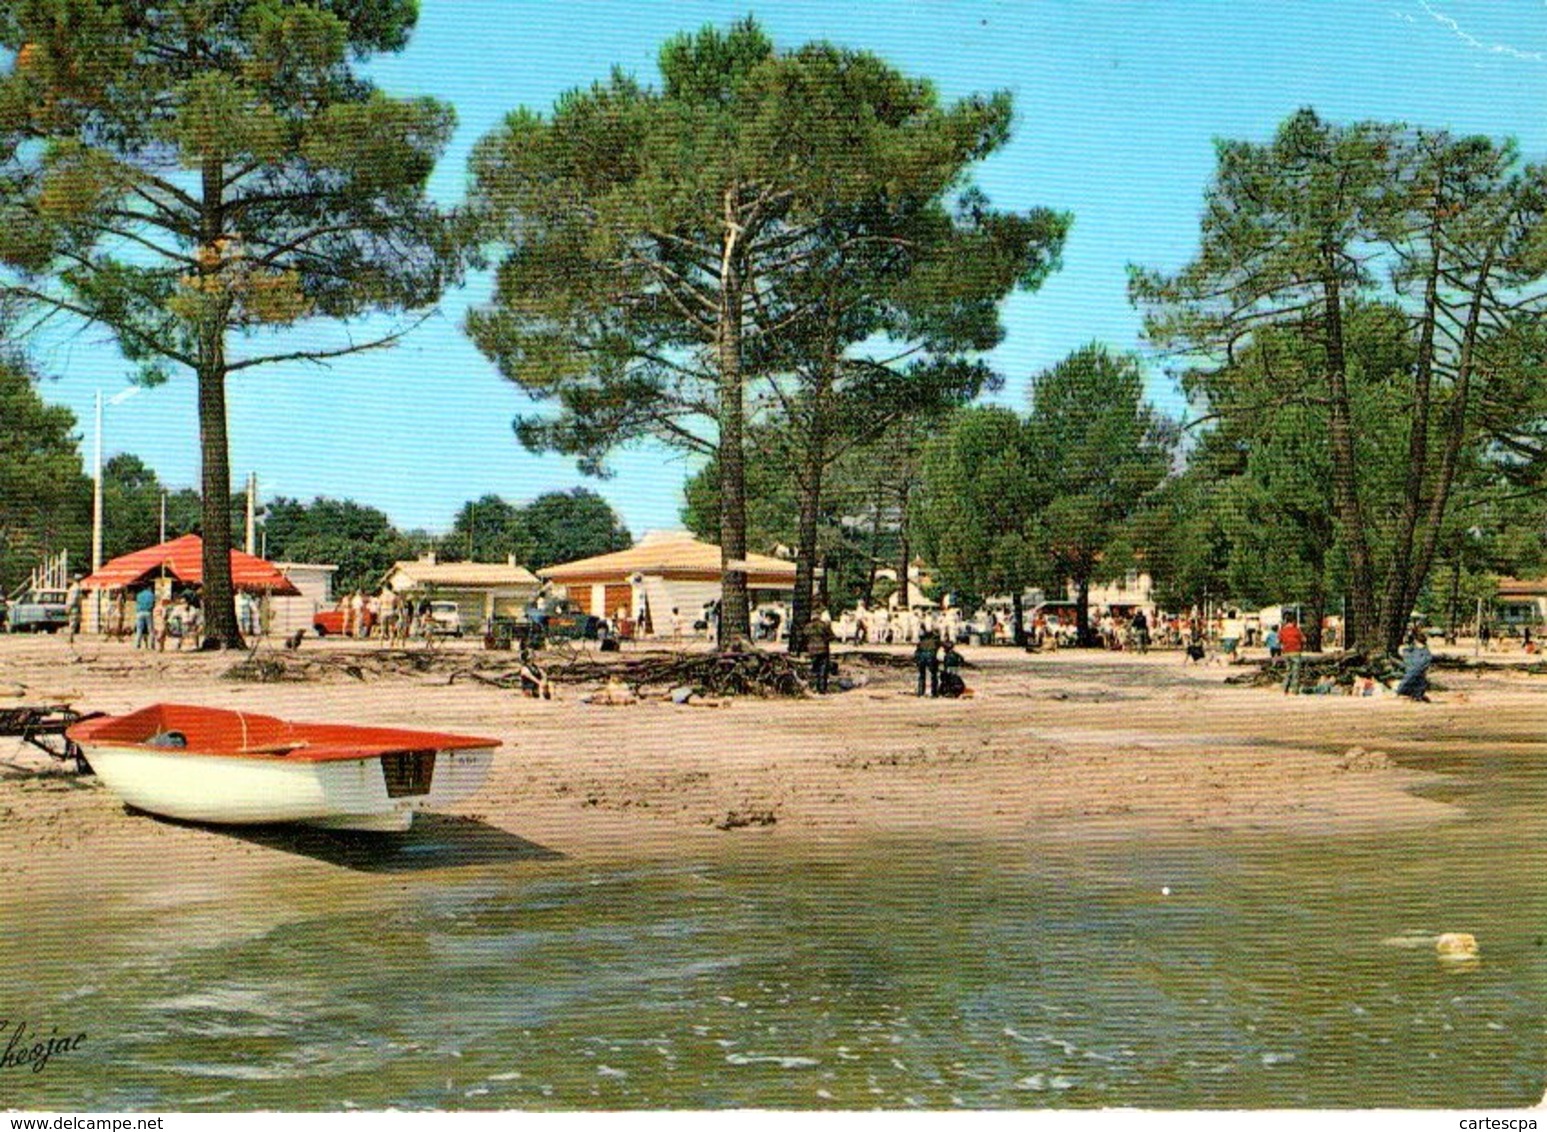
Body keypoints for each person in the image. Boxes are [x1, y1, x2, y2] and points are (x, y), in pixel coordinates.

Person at [804, 609, 835, 693]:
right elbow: (832, 636)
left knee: (814, 669)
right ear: (819, 616)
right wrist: (826, 640)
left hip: (812, 650)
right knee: (823, 670)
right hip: (823, 650)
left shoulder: (807, 626)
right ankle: (822, 689)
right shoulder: (824, 625)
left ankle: (813, 687)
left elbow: (804, 637)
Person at [1396, 631, 1433, 701]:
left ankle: (1415, 695)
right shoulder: (1426, 652)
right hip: (1419, 674)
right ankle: (1417, 695)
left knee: (1409, 683)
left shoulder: (1414, 651)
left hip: (1412, 673)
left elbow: (1407, 660)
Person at [914, 623, 941, 697]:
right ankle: (934, 692)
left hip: (922, 657)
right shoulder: (935, 640)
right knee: (934, 675)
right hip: (930, 656)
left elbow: (917, 651)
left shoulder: (921, 641)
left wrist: (916, 660)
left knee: (922, 675)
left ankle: (920, 692)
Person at [64, 574, 83, 643]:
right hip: (74, 607)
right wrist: (69, 607)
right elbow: (73, 599)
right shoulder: (76, 588)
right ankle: (70, 638)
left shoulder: (72, 587)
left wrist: (67, 607)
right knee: (73, 623)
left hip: (72, 607)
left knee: (72, 622)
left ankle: (71, 638)